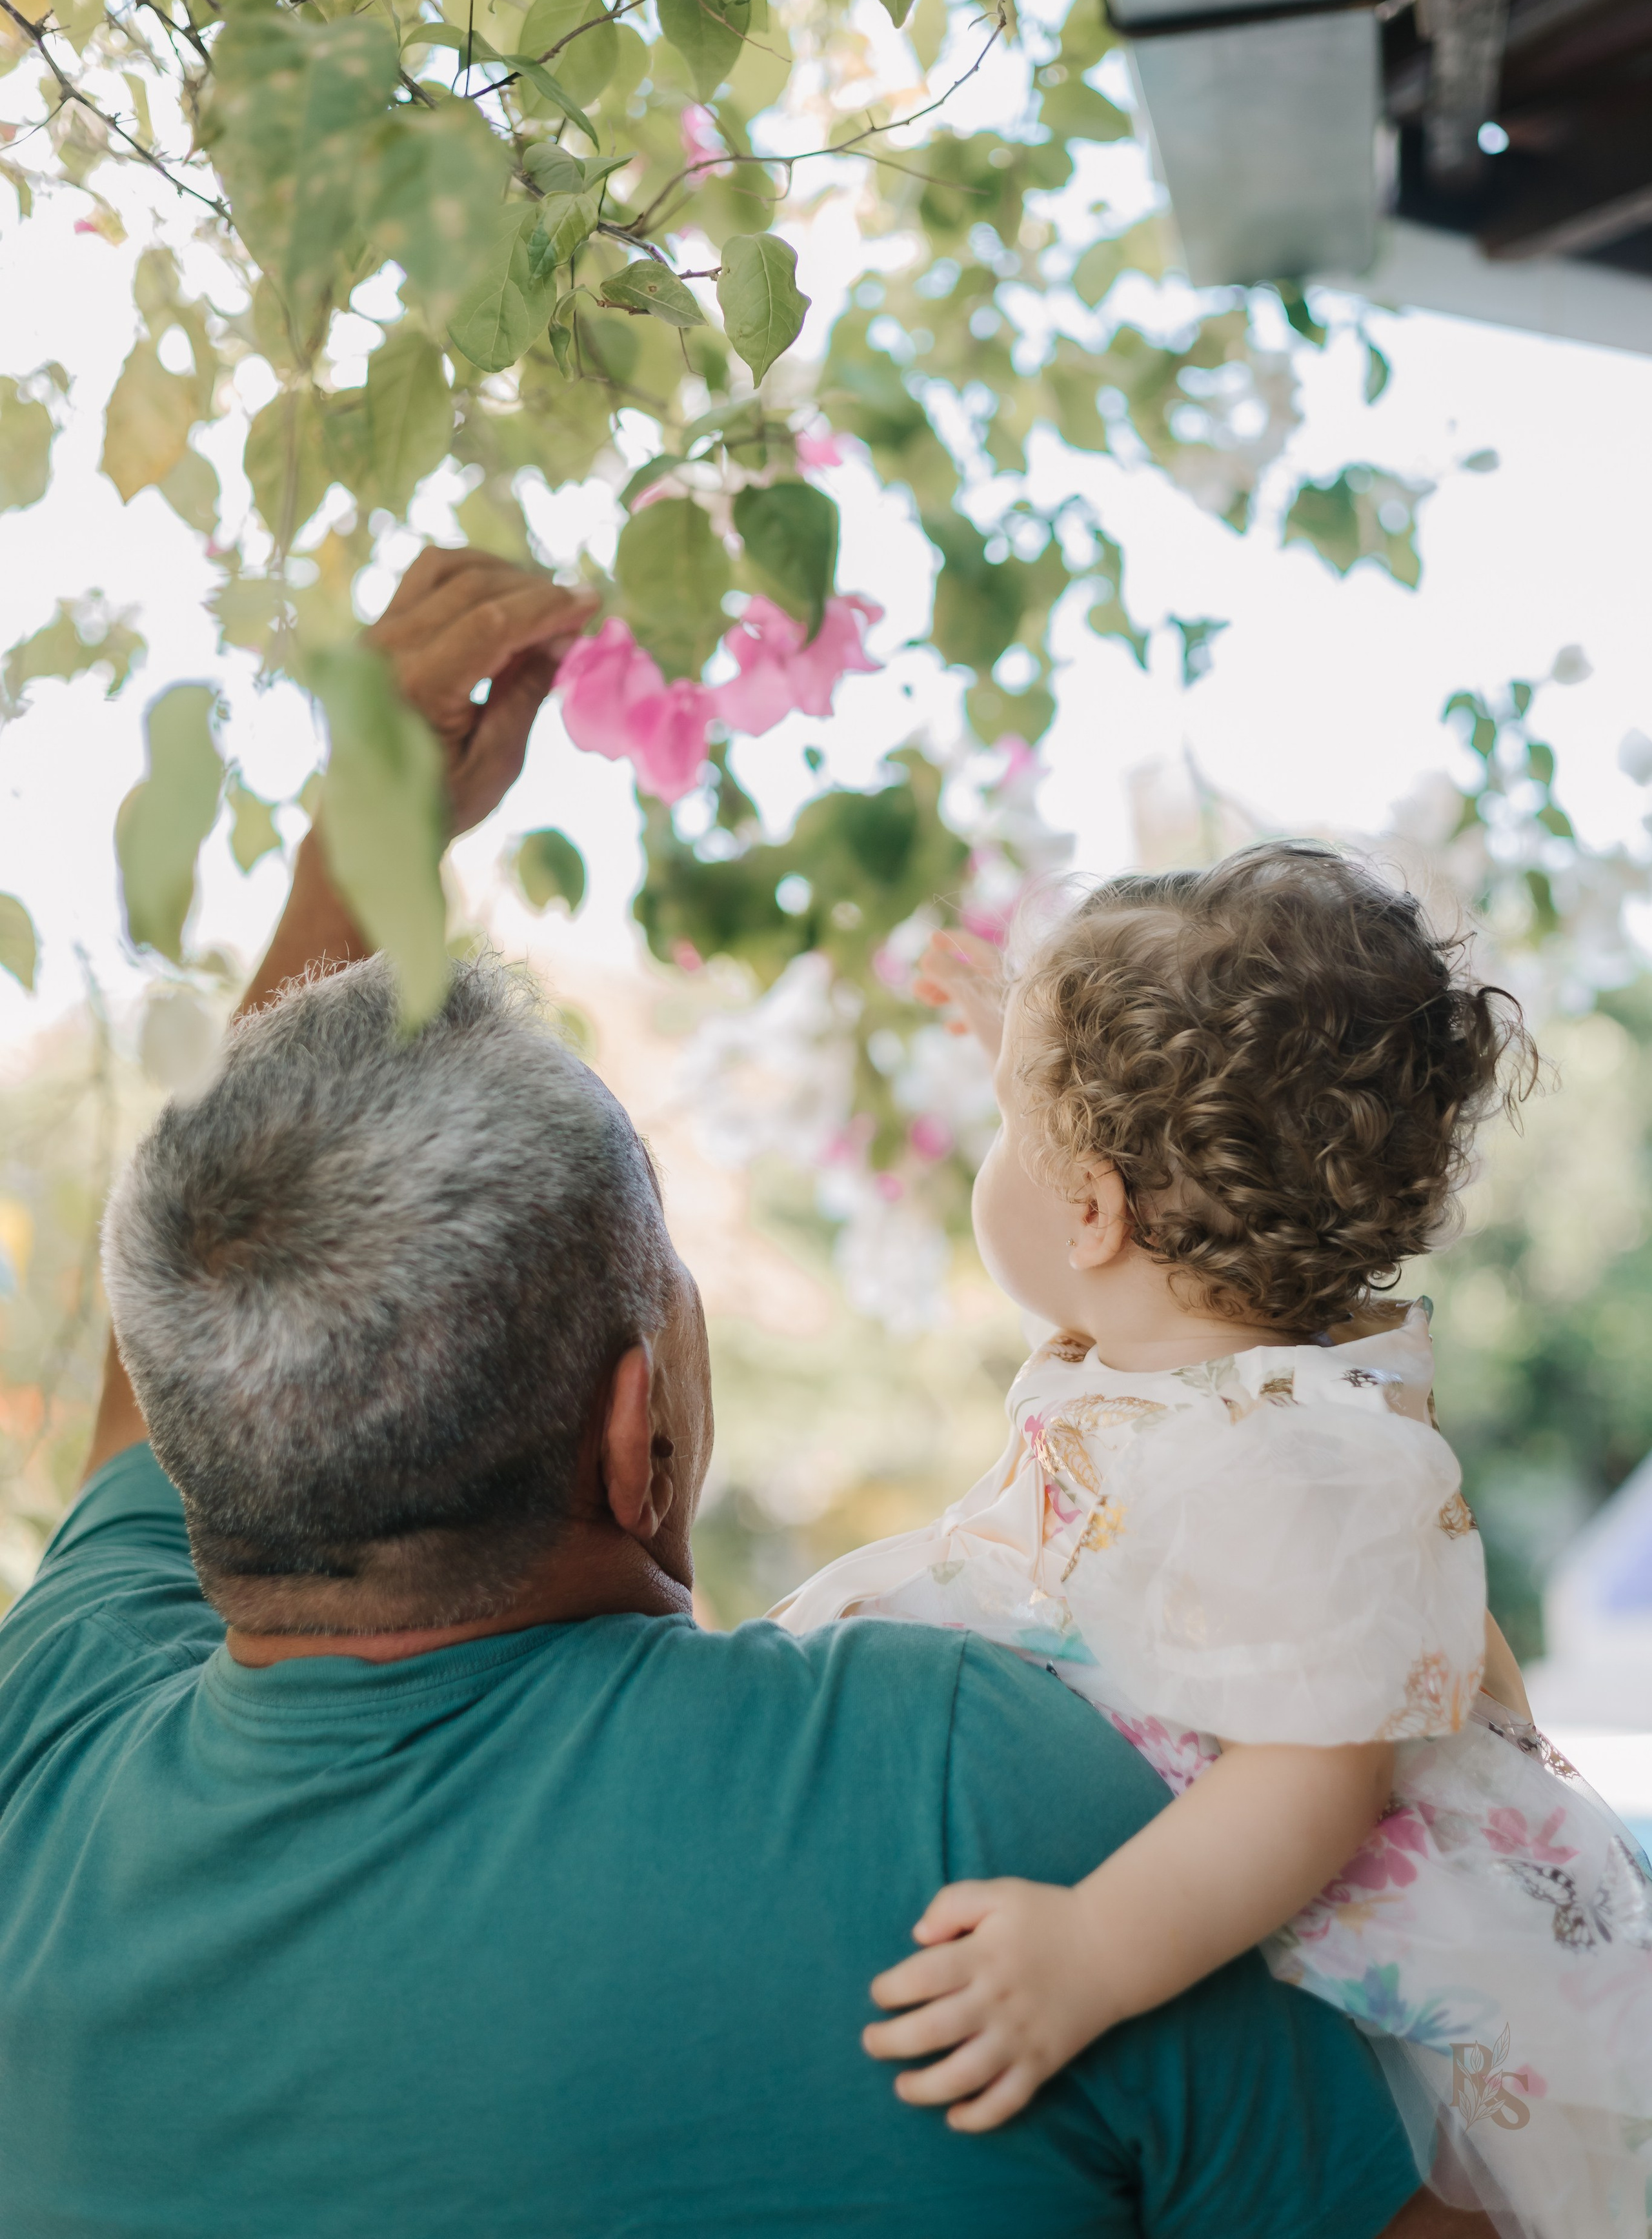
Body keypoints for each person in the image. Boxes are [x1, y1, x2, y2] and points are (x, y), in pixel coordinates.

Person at [0, 552, 1485, 2238]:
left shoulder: (44, 1741)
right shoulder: (970, 1800)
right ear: (644, 1437)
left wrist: (355, 846)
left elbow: (186, 1351)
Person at [775, 854, 1652, 2239]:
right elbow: (1107, 1244)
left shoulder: (1298, 1457)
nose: (994, 1146)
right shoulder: (1167, 1356)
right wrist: (1031, 1064)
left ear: (1092, 1212)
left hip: (1334, 1949)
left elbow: (1310, 1784)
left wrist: (1088, 1957)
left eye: (1011, 1124)